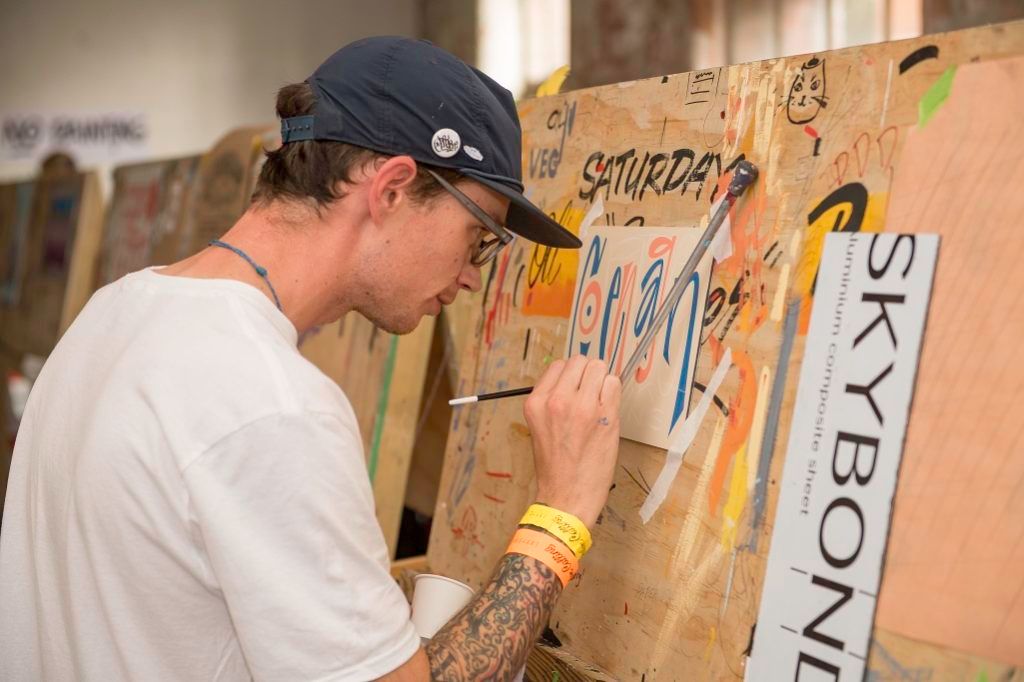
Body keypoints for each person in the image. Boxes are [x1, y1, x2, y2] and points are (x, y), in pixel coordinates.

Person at [0, 36, 622, 681]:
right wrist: (563, 513)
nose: (471, 277)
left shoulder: (116, 309)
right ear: (391, 189)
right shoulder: (272, 403)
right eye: (480, 238)